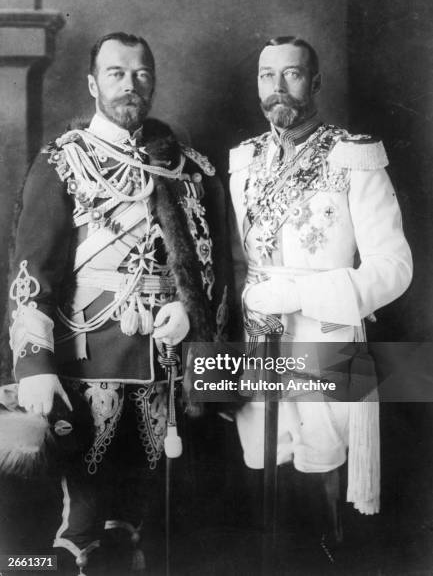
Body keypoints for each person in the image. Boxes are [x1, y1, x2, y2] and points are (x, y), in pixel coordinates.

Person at [6, 32, 228, 574]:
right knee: (81, 521)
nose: (131, 84)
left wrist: (189, 309)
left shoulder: (188, 166)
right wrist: (33, 366)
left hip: (168, 367)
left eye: (142, 73)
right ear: (92, 83)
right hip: (88, 363)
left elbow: (215, 264)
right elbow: (32, 274)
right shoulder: (61, 163)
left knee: (143, 518)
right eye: (116, 73)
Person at [229, 36, 412, 554]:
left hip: (325, 332)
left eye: (292, 74)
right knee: (267, 469)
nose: (278, 87)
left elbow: (394, 268)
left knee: (322, 473)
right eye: (268, 76)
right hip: (257, 335)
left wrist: (297, 294)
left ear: (315, 82)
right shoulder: (245, 162)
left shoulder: (352, 156)